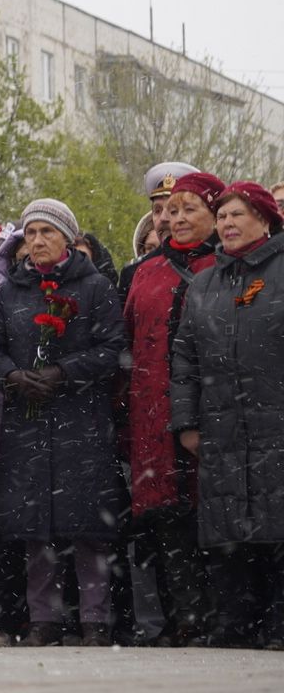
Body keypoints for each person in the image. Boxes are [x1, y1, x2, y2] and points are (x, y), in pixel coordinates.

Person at [0, 199, 126, 647]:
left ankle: (95, 620)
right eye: (31, 234)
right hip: (26, 423)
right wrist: (11, 374)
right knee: (34, 529)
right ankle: (43, 620)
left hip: (80, 422)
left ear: (67, 237)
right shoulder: (11, 291)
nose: (39, 241)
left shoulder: (95, 286)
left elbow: (112, 350)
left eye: (47, 232)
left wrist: (64, 373)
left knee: (87, 527)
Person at [172, 182, 284, 648]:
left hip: (275, 423)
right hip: (220, 426)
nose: (228, 225)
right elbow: (185, 359)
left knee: (278, 527)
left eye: (237, 215)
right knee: (226, 530)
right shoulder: (204, 283)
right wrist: (187, 422)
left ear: (265, 219)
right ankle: (232, 623)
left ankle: (278, 625)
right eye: (222, 218)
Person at [122, 172, 222, 645]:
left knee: (217, 514)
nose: (174, 218)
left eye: (187, 209)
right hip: (151, 413)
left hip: (216, 409)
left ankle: (226, 615)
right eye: (169, 210)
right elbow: (127, 344)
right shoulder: (145, 271)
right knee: (167, 518)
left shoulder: (226, 266)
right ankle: (186, 617)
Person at [118, 162, 200, 299]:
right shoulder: (133, 273)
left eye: (173, 209)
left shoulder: (222, 266)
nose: (163, 218)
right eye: (157, 210)